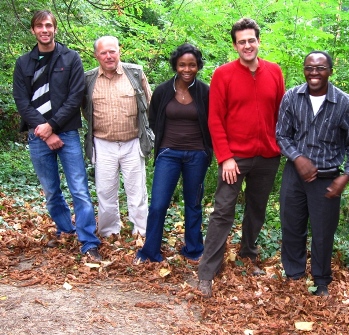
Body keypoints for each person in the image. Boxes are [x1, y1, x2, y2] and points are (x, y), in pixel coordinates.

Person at [197, 18, 285, 297]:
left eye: (251, 40)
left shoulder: (274, 72)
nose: (247, 45)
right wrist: (225, 157)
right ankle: (207, 271)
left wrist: (280, 147)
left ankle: (248, 252)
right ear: (235, 45)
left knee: (257, 209)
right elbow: (215, 119)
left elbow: (282, 114)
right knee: (223, 211)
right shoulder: (223, 74)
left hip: (268, 156)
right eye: (242, 41)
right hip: (235, 158)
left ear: (259, 41)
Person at [12, 10, 101, 261]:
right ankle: (65, 229)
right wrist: (44, 129)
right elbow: (21, 101)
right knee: (51, 191)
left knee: (80, 189)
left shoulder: (71, 58)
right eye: (39, 26)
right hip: (37, 136)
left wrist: (52, 126)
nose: (44, 29)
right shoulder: (23, 63)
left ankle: (88, 241)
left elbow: (75, 98)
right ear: (33, 30)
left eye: (48, 25)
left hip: (67, 133)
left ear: (55, 29)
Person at [276, 51, 349, 296]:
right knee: (291, 225)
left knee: (323, 231)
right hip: (295, 175)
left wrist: (346, 175)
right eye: (309, 67)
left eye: (320, 68)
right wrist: (298, 158)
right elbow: (282, 135)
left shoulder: (345, 103)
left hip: (327, 178)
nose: (314, 73)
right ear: (304, 69)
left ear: (330, 71)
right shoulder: (292, 97)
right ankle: (294, 274)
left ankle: (321, 280)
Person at [134, 43, 212, 262]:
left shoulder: (205, 92)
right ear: (175, 66)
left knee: (193, 203)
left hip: (197, 155)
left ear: (198, 66)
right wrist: (165, 144)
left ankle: (194, 249)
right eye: (182, 65)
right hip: (168, 153)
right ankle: (150, 251)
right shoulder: (163, 91)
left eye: (192, 65)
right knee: (158, 204)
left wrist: (208, 151)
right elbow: (154, 119)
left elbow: (213, 122)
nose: (187, 69)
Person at [83, 36, 152, 238]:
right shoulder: (89, 79)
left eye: (112, 51)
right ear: (97, 56)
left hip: (133, 142)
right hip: (102, 143)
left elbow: (149, 104)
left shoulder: (135, 73)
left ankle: (141, 231)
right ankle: (109, 232)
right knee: (105, 192)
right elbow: (85, 111)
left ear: (119, 51)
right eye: (103, 52)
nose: (108, 56)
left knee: (137, 191)